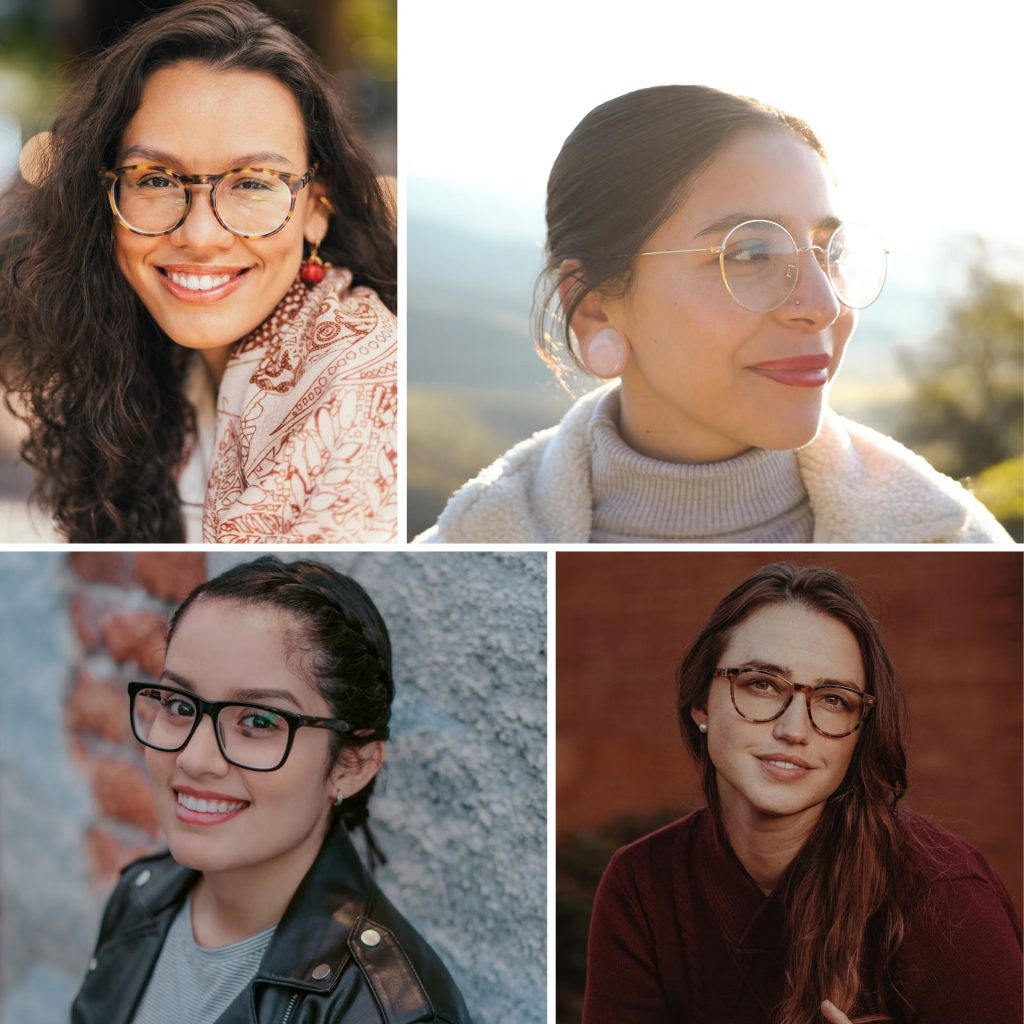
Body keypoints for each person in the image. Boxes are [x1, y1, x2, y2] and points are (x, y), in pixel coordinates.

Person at [417, 85, 1010, 544]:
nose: (823, 305)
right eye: (750, 253)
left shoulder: (958, 546)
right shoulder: (456, 554)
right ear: (595, 305)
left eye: (830, 253)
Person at [0, 0, 397, 542]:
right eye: (157, 179)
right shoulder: (141, 370)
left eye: (254, 182)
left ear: (317, 210)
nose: (201, 235)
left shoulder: (362, 392)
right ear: (106, 196)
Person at [581, 562, 1022, 1023]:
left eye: (834, 700)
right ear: (700, 704)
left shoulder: (943, 896)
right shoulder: (643, 884)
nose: (794, 730)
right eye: (762, 684)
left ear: (860, 733)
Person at [70, 556, 470, 1024]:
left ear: (352, 764)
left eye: (258, 721)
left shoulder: (385, 1012)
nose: (194, 759)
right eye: (179, 704)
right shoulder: (142, 895)